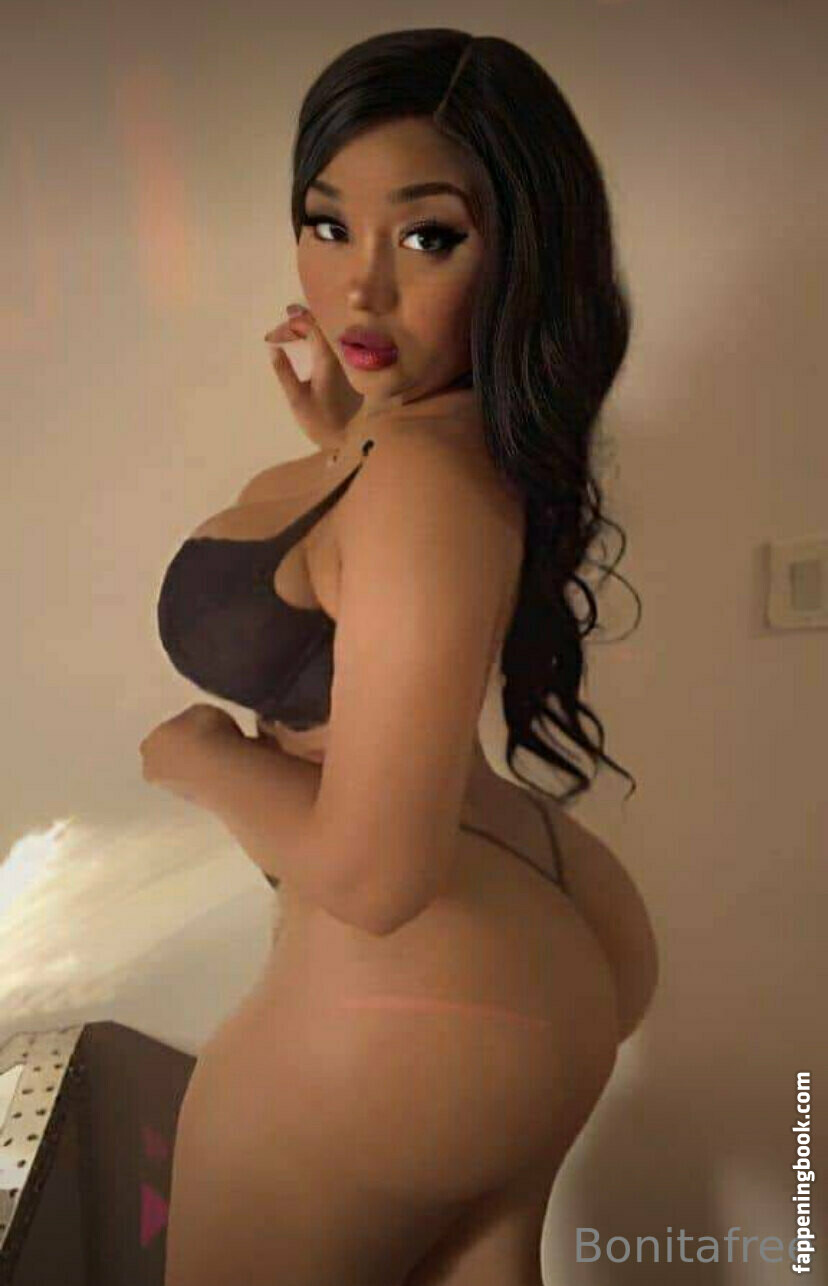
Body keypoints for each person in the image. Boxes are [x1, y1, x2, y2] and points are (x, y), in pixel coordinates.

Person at [144, 28, 659, 1286]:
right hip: (512, 953)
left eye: (429, 237)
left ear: (522, 251)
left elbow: (377, 876)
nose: (359, 290)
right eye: (329, 225)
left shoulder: (421, 480)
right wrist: (348, 426)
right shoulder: (442, 440)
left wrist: (198, 756)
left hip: (413, 980)